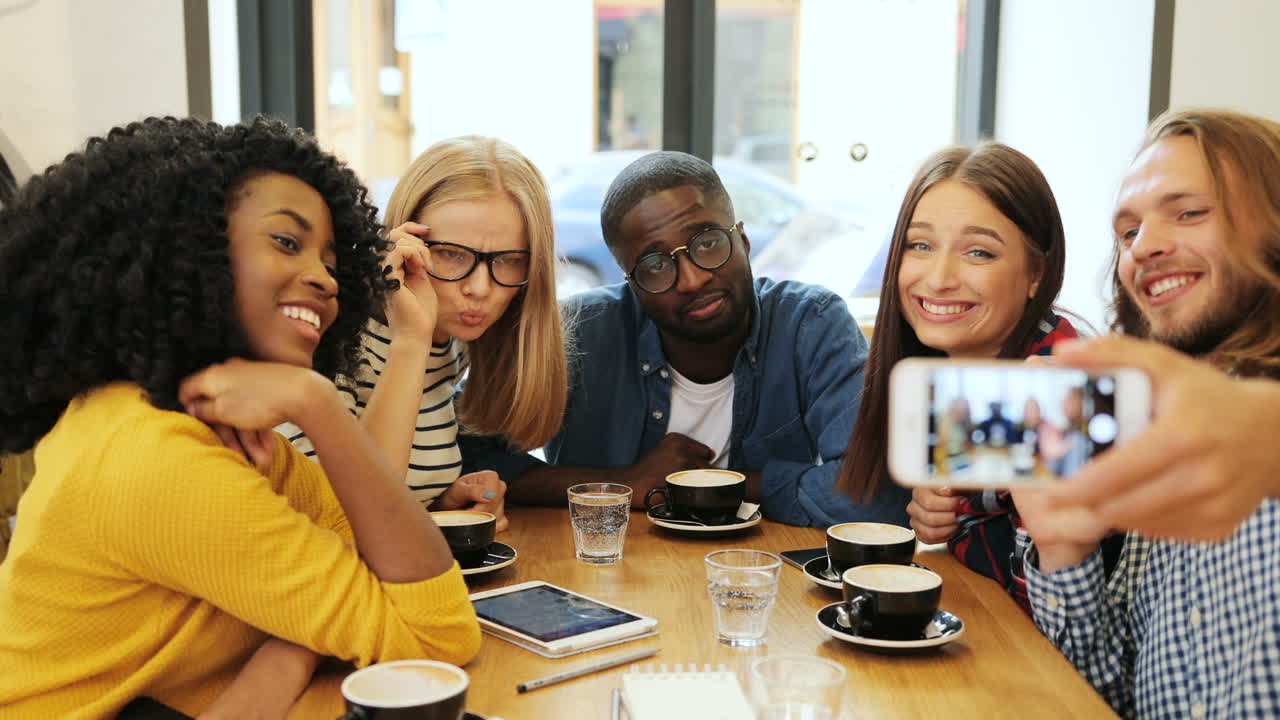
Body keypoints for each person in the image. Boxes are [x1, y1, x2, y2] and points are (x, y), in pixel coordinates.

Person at [0, 117, 480, 719]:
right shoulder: (153, 455)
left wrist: (315, 401)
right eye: (287, 241)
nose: (325, 279)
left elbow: (370, 541)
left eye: (331, 261)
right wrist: (319, 405)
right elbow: (438, 637)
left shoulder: (180, 419)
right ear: (184, 245)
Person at [466, 151, 906, 527]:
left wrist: (715, 487)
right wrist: (625, 486)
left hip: (758, 577)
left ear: (744, 240)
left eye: (708, 243)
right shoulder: (581, 331)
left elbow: (873, 494)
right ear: (630, 284)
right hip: (607, 573)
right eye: (655, 266)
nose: (693, 279)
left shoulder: (810, 324)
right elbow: (473, 457)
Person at [1016, 108, 1280, 718]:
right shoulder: (1160, 432)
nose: (1145, 247)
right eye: (1127, 232)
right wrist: (1064, 551)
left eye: (1190, 212)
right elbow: (1108, 700)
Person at [838, 142, 1083, 612]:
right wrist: (942, 523)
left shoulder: (1054, 389)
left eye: (977, 252)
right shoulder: (950, 378)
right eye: (921, 245)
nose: (938, 278)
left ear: (1037, 272)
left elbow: (1052, 621)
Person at [281, 136, 568, 530]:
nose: (480, 288)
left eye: (508, 260)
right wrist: (410, 341)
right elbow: (340, 517)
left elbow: (394, 497)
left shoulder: (454, 344)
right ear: (404, 241)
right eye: (451, 254)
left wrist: (441, 504)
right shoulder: (327, 331)